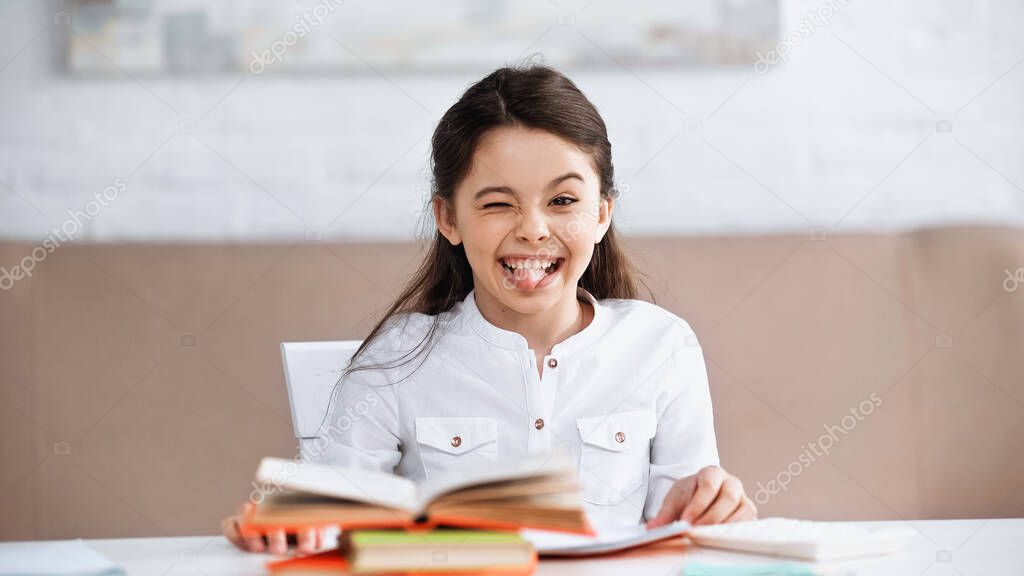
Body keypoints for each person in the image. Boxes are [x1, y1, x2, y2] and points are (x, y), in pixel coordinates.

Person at [223, 65, 756, 555]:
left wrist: (717, 508)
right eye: (498, 203)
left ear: (602, 214)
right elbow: (327, 517)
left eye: (563, 201)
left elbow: (686, 527)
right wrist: (282, 522)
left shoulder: (662, 346)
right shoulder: (396, 360)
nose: (533, 229)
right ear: (448, 218)